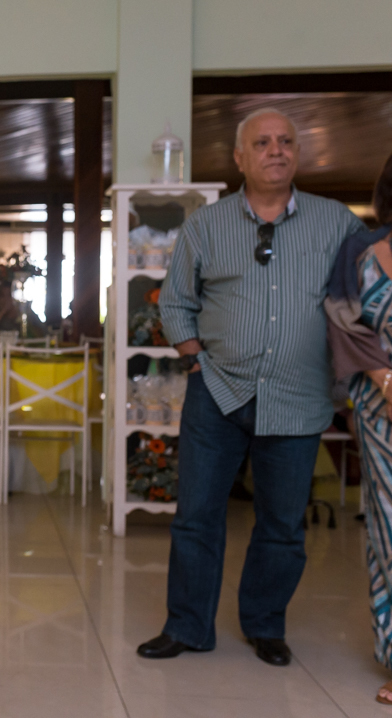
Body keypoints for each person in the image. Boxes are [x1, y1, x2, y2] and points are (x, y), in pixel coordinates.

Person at [139, 108, 366, 667]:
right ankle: (188, 626)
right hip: (217, 391)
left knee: (284, 526)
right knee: (197, 517)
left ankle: (265, 625)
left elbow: (368, 286)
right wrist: (194, 358)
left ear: (298, 153)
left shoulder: (336, 222)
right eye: (262, 143)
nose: (276, 150)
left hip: (299, 394)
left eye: (286, 141)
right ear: (240, 158)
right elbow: (174, 301)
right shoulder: (206, 225)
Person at [326, 152, 392, 703]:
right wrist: (386, 381)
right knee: (390, 533)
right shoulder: (361, 251)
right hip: (381, 409)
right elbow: (343, 320)